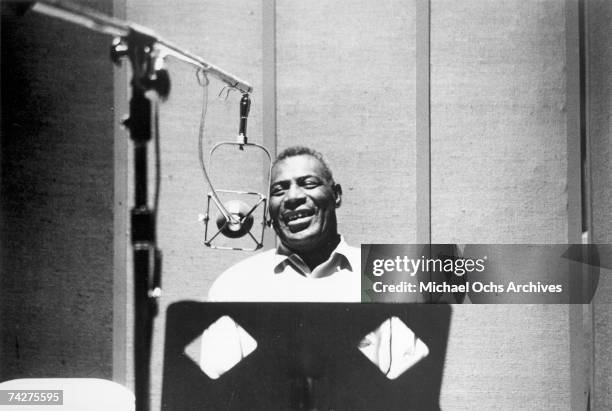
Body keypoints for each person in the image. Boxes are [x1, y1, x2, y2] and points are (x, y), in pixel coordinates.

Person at [208, 146, 361, 302]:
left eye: (308, 184)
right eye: (278, 191)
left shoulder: (379, 271)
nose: (292, 197)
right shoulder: (237, 283)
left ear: (336, 195)